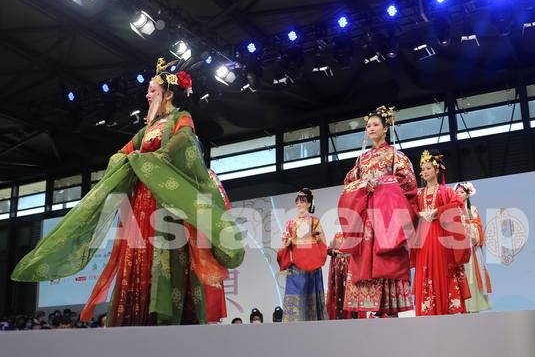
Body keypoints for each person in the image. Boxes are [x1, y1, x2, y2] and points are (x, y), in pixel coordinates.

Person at [11, 58, 244, 326]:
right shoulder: (145, 130)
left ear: (168, 94)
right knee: (138, 252)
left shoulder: (181, 118)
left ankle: (167, 316)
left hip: (166, 200)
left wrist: (151, 162)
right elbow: (121, 154)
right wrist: (131, 160)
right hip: (141, 201)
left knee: (165, 250)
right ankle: (137, 316)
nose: (147, 95)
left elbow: (184, 143)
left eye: (152, 91)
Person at [338, 106, 417, 318]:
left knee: (387, 257)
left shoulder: (396, 156)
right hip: (367, 218)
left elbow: (409, 182)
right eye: (368, 126)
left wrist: (381, 183)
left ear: (385, 129)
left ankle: (389, 309)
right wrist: (364, 184)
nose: (371, 128)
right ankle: (372, 310)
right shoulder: (361, 159)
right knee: (366, 258)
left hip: (387, 216)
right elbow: (349, 183)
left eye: (375, 125)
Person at [412, 150, 471, 315]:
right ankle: (428, 309)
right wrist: (419, 213)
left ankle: (446, 308)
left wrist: (438, 211)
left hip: (441, 235)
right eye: (423, 169)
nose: (424, 172)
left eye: (428, 168)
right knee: (425, 269)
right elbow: (411, 210)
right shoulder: (419, 194)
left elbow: (458, 205)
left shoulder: (446, 191)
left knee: (443, 268)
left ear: (437, 169)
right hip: (424, 237)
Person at [279, 188, 327, 322]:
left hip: (313, 265)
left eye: (302, 201)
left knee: (311, 297)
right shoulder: (290, 223)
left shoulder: (315, 222)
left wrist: (310, 238)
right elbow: (285, 242)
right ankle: (293, 326)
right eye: (297, 202)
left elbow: (322, 242)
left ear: (309, 204)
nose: (299, 204)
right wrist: (292, 239)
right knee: (295, 295)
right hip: (296, 266)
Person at [454, 182, 492, 313]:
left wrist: (466, 228)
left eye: (462, 192)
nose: (459, 194)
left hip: (471, 249)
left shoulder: (472, 209)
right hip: (457, 248)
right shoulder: (452, 209)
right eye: (457, 192)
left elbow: (478, 225)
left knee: (473, 277)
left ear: (468, 194)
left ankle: (474, 306)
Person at [326, 232, 353, 320]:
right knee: (339, 291)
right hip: (337, 269)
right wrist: (335, 252)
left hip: (350, 267)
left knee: (350, 291)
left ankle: (351, 316)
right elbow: (328, 250)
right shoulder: (338, 235)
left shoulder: (354, 236)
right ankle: (338, 316)